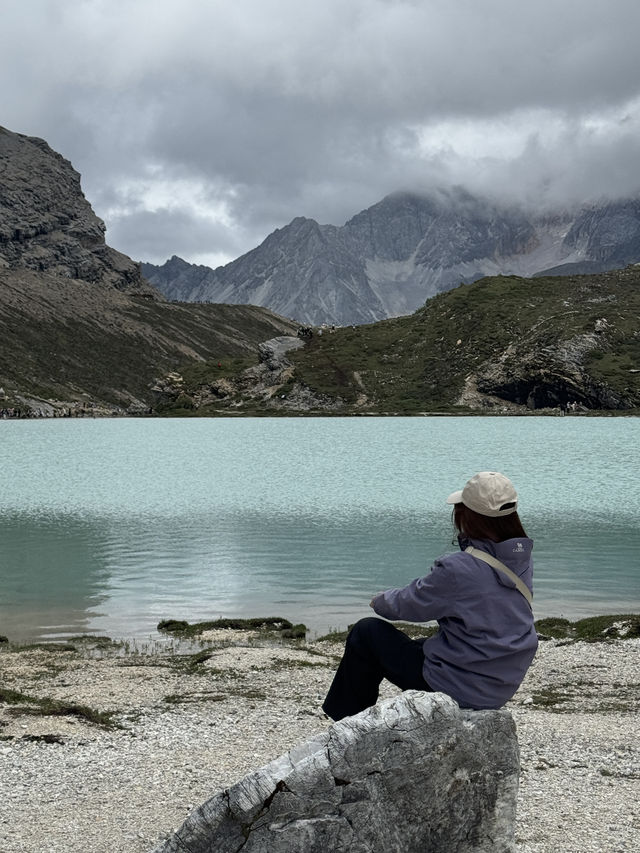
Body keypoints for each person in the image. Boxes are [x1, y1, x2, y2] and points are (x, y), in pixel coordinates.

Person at [322, 471, 538, 721]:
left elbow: (411, 604)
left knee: (367, 633)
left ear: (468, 515)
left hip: (460, 686)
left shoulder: (459, 568)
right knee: (422, 645)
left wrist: (379, 600)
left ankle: (345, 725)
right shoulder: (520, 559)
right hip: (498, 683)